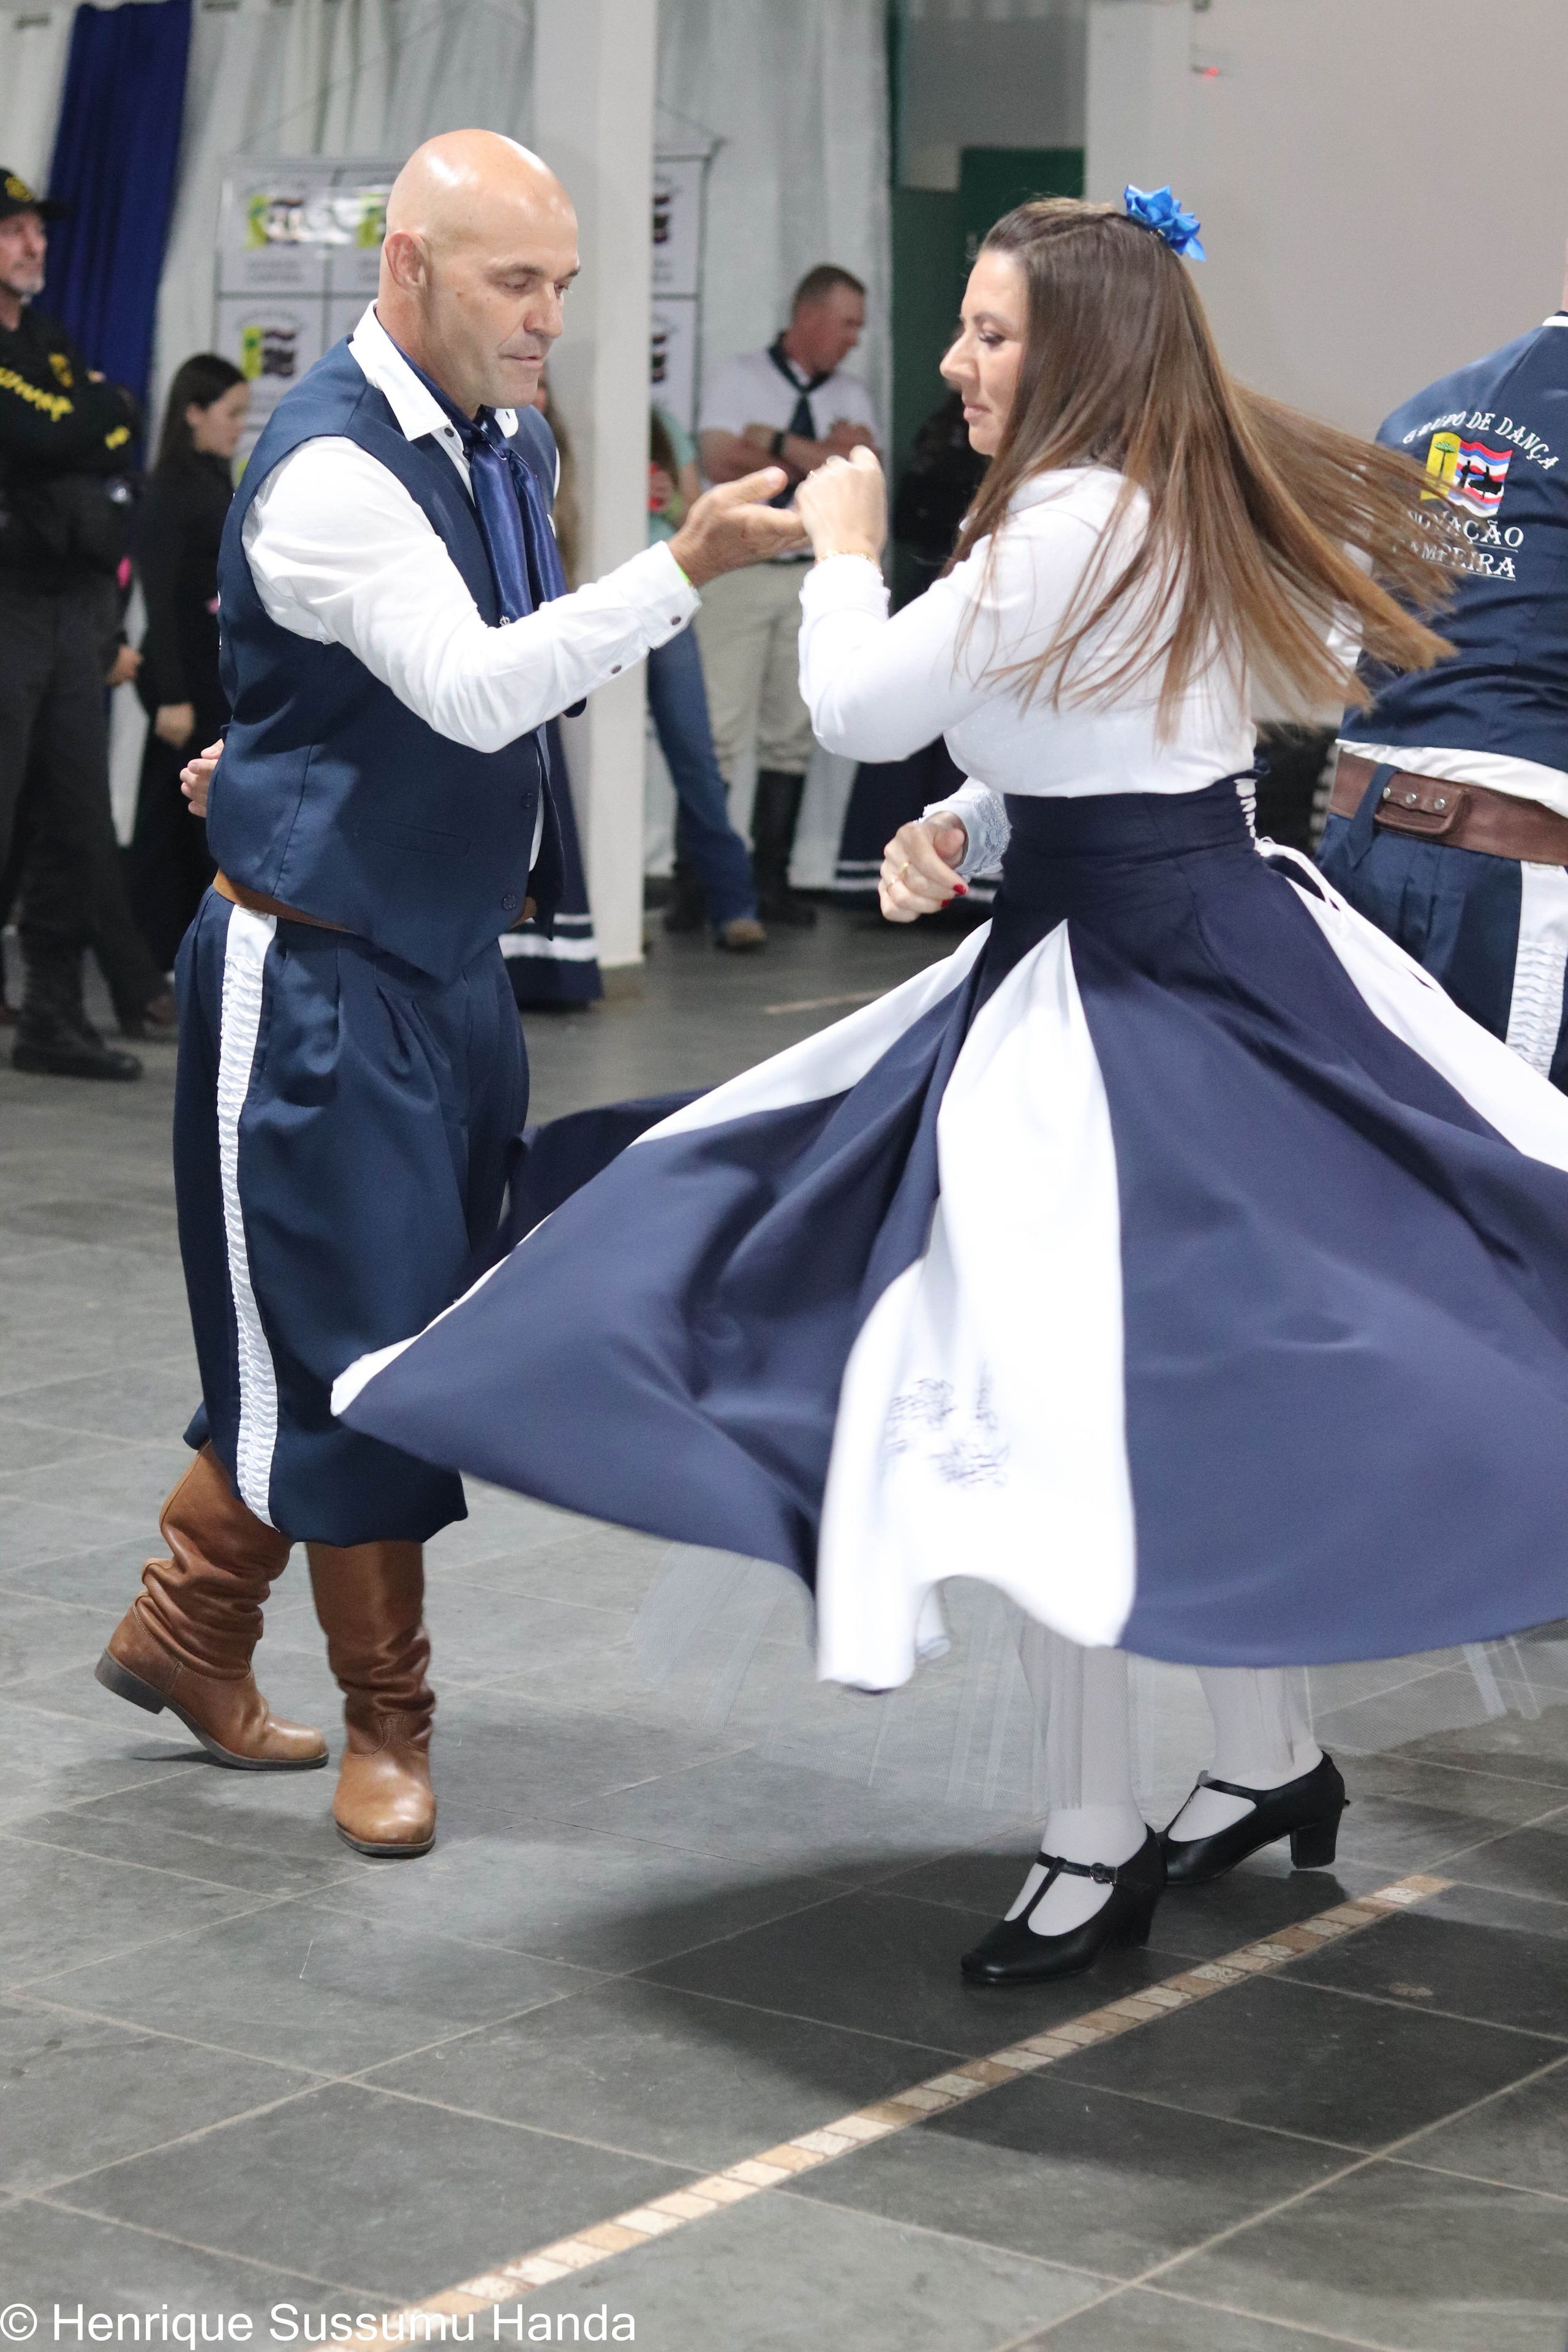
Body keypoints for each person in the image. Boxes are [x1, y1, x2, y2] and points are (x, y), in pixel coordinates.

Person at [337, 190, 1568, 1982]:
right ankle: (1260, 1758)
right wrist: (977, 821)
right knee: (1174, 1389)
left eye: (990, 332)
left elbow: (853, 706)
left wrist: (843, 546)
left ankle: (1091, 1833)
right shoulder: (1154, 497)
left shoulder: (1067, 522)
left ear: (1079, 352)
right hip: (1187, 955)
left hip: (1137, 998)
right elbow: (1143, 733)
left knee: (1057, 1410)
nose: (954, 361)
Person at [92, 130, 804, 1862]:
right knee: (363, 1350)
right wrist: (686, 568)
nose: (550, 315)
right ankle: (387, 1721)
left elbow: (415, 686)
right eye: (517, 281)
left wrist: (284, 756)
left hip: (439, 960)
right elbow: (481, 689)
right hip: (315, 976)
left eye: (564, 282)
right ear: (407, 268)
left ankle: (188, 1619)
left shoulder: (508, 438)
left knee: (391, 1319)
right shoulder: (334, 464)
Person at [1318, 256, 1568, 1082]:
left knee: (1360, 1136)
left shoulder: (1418, 415)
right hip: (1511, 887)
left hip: (1356, 856)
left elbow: (1340, 645)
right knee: (1519, 1149)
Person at [0, 167, 161, 1079]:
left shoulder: (48, 340)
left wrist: (89, 418)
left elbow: (108, 425)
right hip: (9, 601)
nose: (36, 244)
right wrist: (91, 417)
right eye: (14, 230)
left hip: (71, 605)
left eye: (38, 229)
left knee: (76, 816)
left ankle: (51, 1017)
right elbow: (54, 435)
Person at [695, 265, 880, 927]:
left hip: (808, 574)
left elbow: (859, 476)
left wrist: (771, 442)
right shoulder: (742, 375)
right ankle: (702, 886)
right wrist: (819, 454)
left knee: (789, 735)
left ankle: (770, 882)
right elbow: (719, 460)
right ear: (808, 317)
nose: (855, 338)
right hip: (741, 572)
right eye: (847, 323)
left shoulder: (851, 392)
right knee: (719, 731)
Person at [832, 390, 989, 909]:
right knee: (919, 730)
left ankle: (965, 874)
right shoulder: (940, 436)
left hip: (976, 601)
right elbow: (909, 518)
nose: (958, 365)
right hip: (939, 589)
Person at [125, 354, 247, 975]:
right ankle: (150, 954)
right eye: (231, 414)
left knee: (188, 817)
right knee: (167, 819)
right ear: (194, 413)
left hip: (211, 673)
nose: (239, 427)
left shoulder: (216, 480)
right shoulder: (170, 488)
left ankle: (176, 950)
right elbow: (159, 597)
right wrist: (172, 695)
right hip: (181, 677)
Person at [649, 405, 767, 952]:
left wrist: (667, 500)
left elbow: (695, 519)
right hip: (590, 598)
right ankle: (607, 915)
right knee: (600, 765)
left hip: (665, 602)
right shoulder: (560, 426)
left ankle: (733, 904)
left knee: (697, 754)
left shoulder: (662, 425)